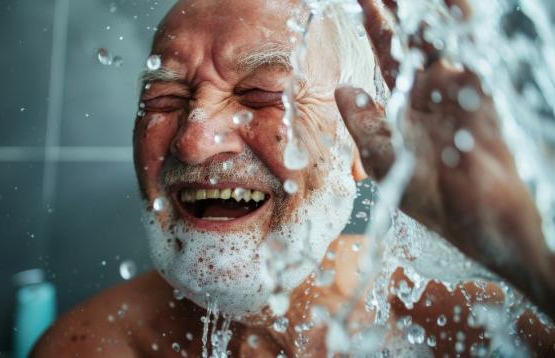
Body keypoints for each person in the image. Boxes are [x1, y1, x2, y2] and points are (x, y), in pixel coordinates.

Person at [33, 0, 555, 356]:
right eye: (163, 101)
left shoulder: (466, 318)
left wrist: (521, 248)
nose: (192, 140)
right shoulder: (96, 344)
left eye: (262, 95)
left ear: (358, 141)